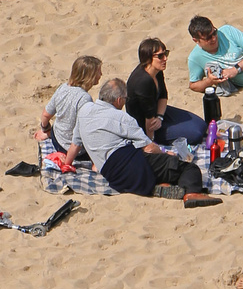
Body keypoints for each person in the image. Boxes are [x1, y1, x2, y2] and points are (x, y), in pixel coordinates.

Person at [65, 78, 221, 208]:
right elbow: (149, 147)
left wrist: (67, 164)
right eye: (124, 100)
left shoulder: (84, 112)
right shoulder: (121, 117)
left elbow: (75, 144)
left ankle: (156, 186)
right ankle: (191, 193)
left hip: (113, 176)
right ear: (119, 100)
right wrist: (167, 153)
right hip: (131, 166)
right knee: (188, 168)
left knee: (155, 168)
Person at [126, 38, 206, 146]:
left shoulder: (157, 71)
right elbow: (149, 120)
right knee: (196, 135)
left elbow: (163, 96)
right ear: (148, 58)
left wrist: (160, 116)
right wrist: (151, 143)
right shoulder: (143, 81)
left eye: (166, 54)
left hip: (157, 113)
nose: (165, 59)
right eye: (160, 56)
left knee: (202, 125)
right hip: (144, 124)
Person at [35, 56, 102, 160]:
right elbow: (81, 135)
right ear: (90, 76)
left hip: (56, 139)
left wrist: (45, 129)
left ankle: (48, 134)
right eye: (98, 72)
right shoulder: (85, 99)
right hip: (72, 150)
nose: (101, 75)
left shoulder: (63, 88)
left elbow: (46, 115)